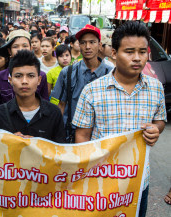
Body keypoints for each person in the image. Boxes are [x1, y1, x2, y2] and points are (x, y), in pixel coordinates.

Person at [72, 21, 167, 217]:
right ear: (114, 54)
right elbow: (82, 137)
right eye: (129, 51)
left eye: (142, 52)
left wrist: (156, 129)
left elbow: (160, 120)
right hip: (101, 182)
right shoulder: (92, 91)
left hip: (139, 180)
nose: (137, 58)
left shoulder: (156, 88)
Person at [51, 24, 114, 142]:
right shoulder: (67, 73)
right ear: (79, 45)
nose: (87, 47)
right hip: (71, 134)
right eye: (83, 43)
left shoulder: (110, 74)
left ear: (99, 45)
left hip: (101, 136)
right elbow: (61, 105)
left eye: (92, 42)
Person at [0, 50, 66, 143]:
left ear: (39, 80)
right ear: (10, 80)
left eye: (30, 76)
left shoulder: (54, 113)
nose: (24, 81)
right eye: (18, 76)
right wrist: (8, 141)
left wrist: (38, 145)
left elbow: (60, 150)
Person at [0, 29, 49, 105]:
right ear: (9, 51)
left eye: (25, 46)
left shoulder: (41, 76)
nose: (20, 50)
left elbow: (45, 104)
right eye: (15, 47)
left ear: (30, 48)